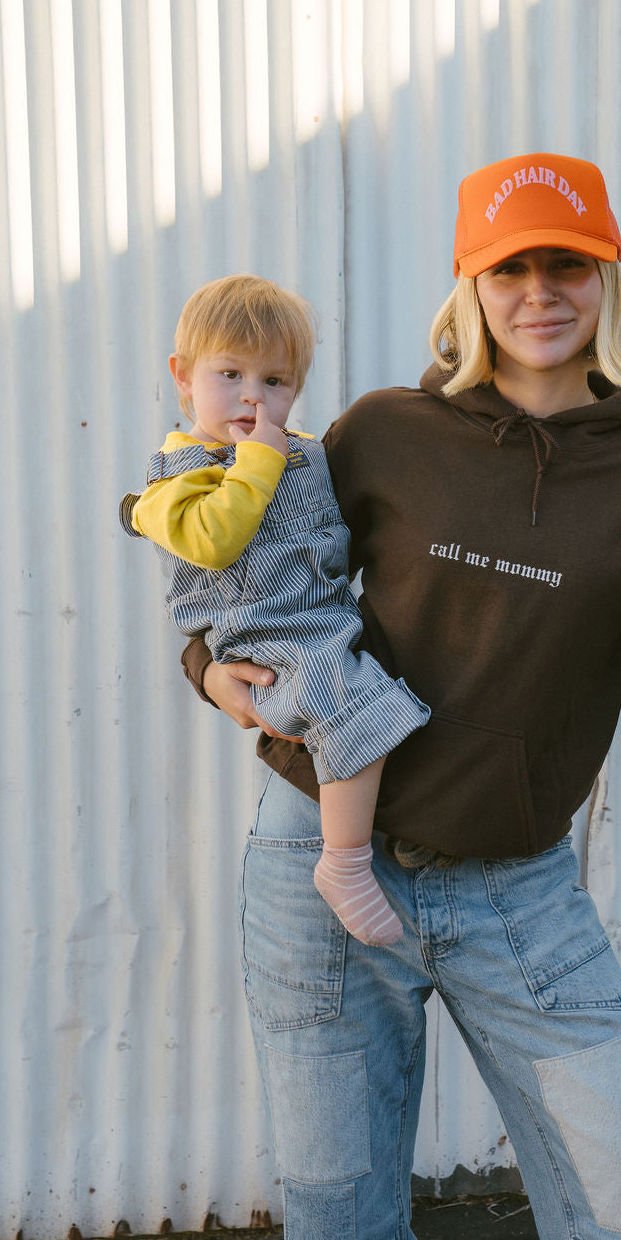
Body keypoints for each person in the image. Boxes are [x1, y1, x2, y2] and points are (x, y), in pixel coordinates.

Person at [180, 154, 621, 1240]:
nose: (540, 291)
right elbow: (255, 572)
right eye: (510, 267)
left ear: (606, 278)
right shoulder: (385, 432)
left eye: (567, 264)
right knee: (339, 1214)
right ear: (470, 287)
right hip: (317, 859)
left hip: (516, 895)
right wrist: (207, 671)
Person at [123, 274, 429, 944]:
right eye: (229, 374)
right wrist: (257, 462)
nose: (252, 396)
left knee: (377, 696)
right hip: (261, 633)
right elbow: (212, 539)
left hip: (321, 616)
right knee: (350, 701)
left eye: (276, 382)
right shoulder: (177, 478)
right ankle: (343, 863)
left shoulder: (302, 451)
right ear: (183, 377)